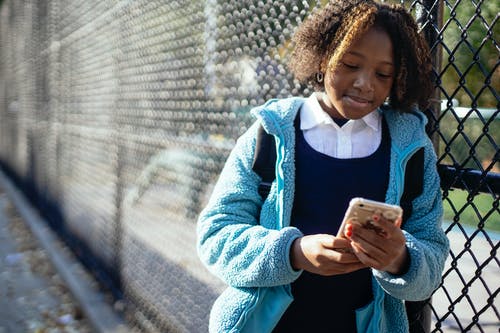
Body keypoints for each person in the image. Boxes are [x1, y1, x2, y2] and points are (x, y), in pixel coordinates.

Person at [196, 0, 450, 332]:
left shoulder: (412, 149)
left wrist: (400, 259)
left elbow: (431, 260)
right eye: (349, 64)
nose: (364, 83)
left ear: (397, 76)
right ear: (322, 56)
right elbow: (216, 235)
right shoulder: (269, 134)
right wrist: (294, 252)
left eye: (382, 73)